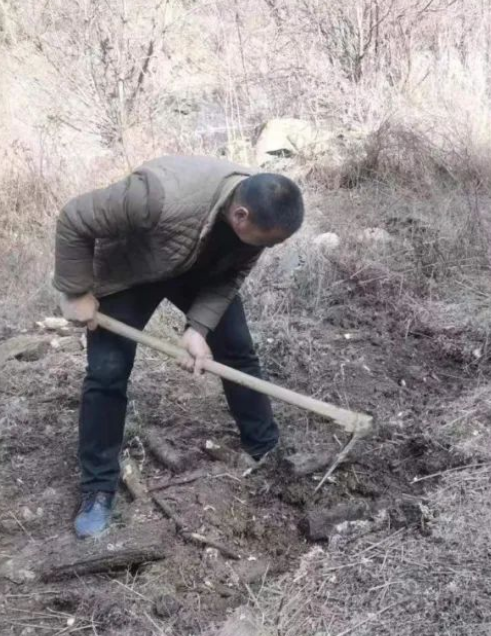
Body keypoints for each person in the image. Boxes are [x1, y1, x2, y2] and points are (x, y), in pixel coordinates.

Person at [54, 155, 304, 537]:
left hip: (196, 270)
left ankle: (264, 447)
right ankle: (98, 488)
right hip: (129, 273)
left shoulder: (261, 214)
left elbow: (230, 277)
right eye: (268, 241)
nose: (270, 248)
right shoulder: (154, 198)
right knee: (107, 373)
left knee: (237, 351)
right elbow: (74, 217)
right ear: (241, 216)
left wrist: (198, 328)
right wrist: (76, 291)